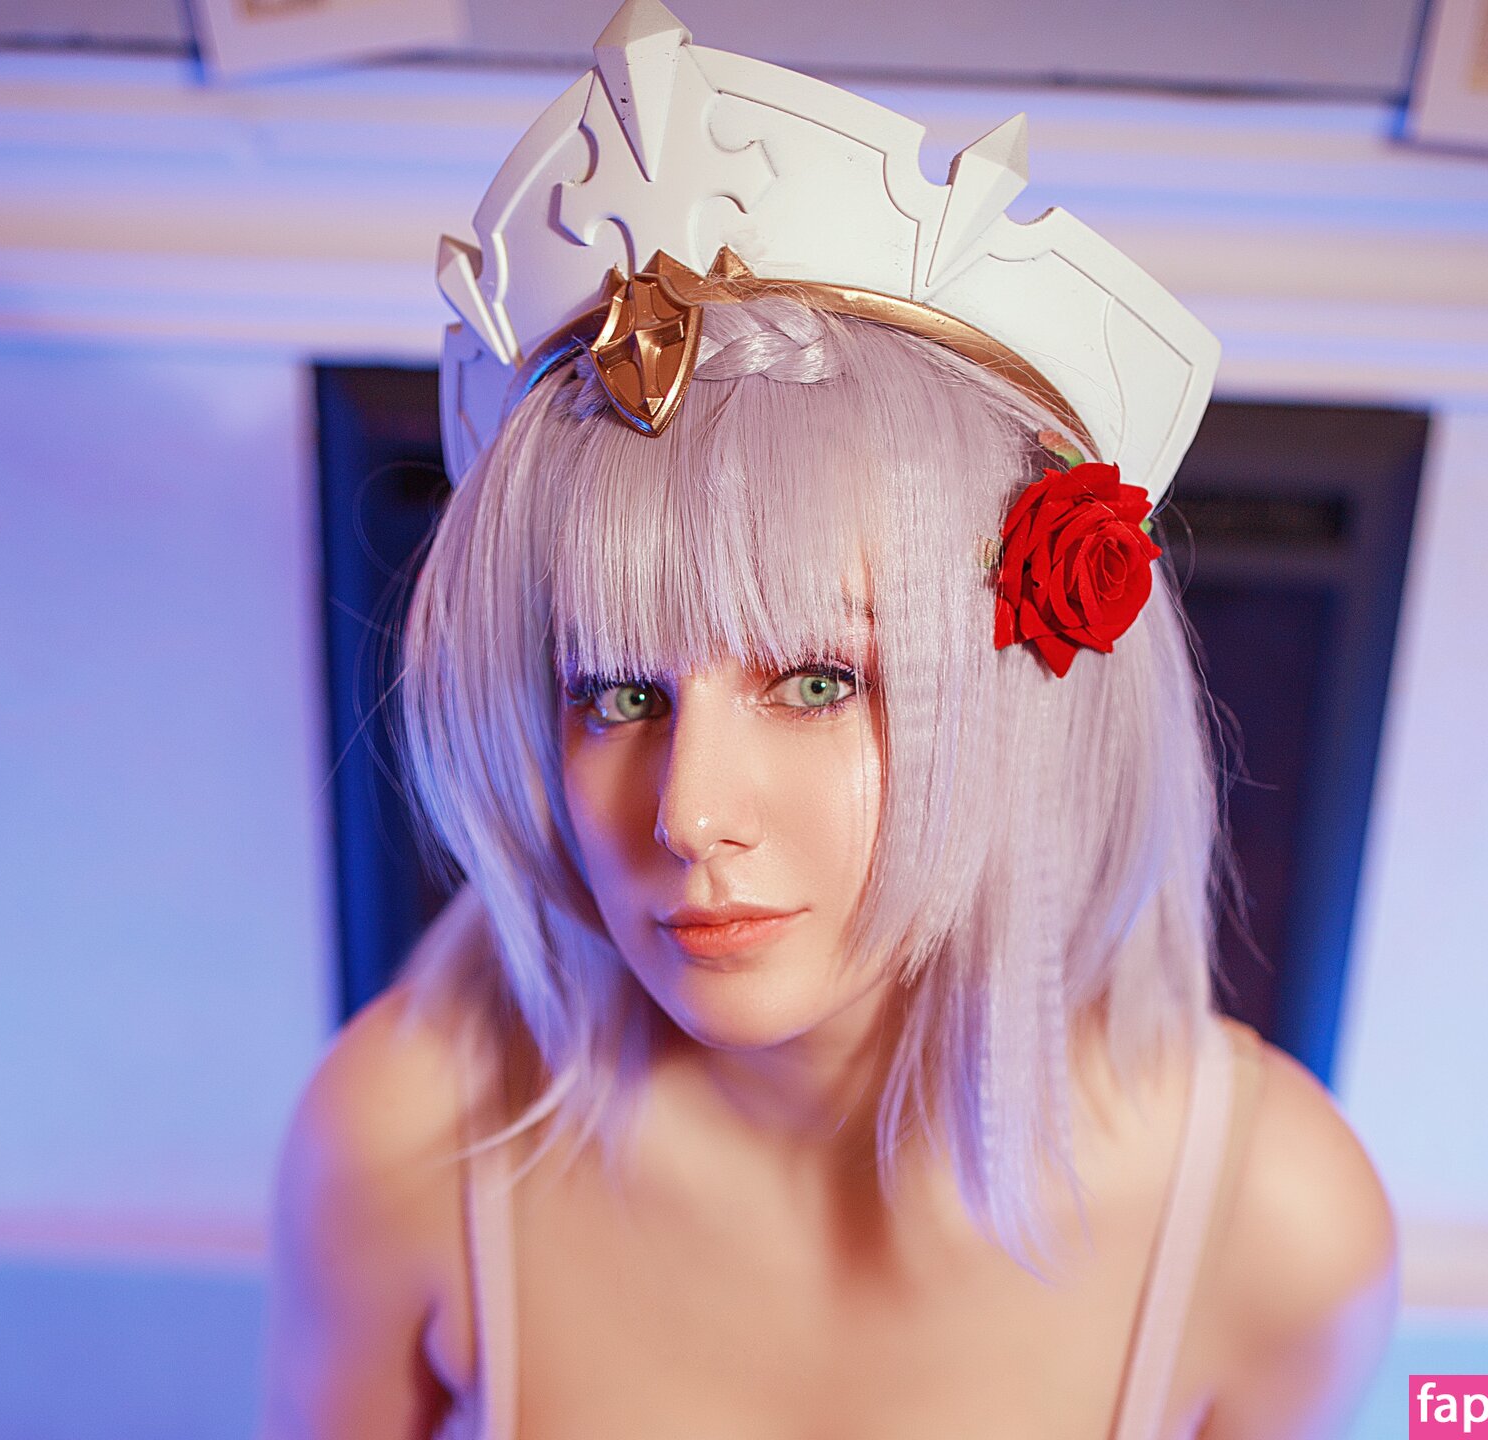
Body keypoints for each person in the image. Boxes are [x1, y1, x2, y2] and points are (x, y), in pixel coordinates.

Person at [261, 3, 1397, 1436]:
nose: (689, 813)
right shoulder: (400, 1140)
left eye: (817, 681)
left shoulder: (1274, 1225)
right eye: (618, 692)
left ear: (1028, 690)